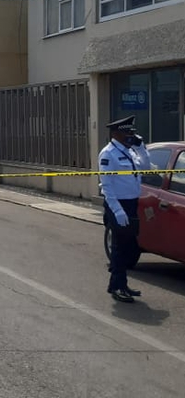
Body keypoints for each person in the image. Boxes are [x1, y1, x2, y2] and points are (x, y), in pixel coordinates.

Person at [98, 115, 150, 303]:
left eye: (131, 132)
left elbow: (145, 167)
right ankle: (117, 287)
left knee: (128, 245)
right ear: (116, 134)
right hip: (118, 204)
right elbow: (107, 185)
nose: (130, 135)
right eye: (127, 132)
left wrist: (141, 148)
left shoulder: (131, 151)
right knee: (119, 247)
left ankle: (120, 283)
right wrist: (117, 210)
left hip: (131, 202)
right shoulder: (108, 154)